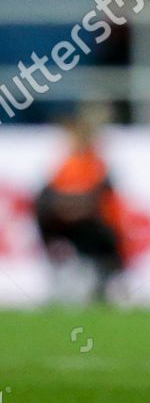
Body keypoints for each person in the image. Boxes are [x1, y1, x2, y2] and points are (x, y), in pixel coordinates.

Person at [33, 111, 126, 303]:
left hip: (95, 225)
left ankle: (99, 284)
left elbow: (99, 197)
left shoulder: (95, 164)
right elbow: (46, 197)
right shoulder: (66, 165)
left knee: (99, 238)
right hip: (68, 223)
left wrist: (73, 207)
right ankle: (63, 274)